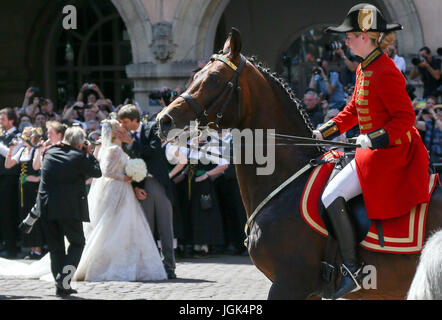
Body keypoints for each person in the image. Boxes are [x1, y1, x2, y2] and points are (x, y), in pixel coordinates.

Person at [314, 3, 429, 299]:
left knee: (330, 196)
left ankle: (352, 270)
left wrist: (373, 139)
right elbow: (353, 110)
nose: (346, 41)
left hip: (390, 153)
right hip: (371, 149)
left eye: (350, 36)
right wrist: (322, 131)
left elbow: (405, 118)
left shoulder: (386, 70)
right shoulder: (366, 66)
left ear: (365, 36)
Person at [73, 119, 167, 282]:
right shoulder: (113, 149)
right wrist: (126, 177)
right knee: (113, 225)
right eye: (119, 127)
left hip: (123, 189)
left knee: (124, 225)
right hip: (116, 189)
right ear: (115, 131)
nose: (123, 129)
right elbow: (106, 171)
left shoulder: (113, 148)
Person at [37, 126, 102, 296]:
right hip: (69, 208)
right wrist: (89, 152)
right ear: (80, 143)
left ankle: (62, 287)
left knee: (55, 247)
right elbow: (97, 172)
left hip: (47, 207)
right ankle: (63, 279)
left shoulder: (50, 152)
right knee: (78, 243)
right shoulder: (80, 157)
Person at [116, 104, 177, 279]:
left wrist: (131, 142)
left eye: (126, 121)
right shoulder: (125, 137)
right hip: (141, 186)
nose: (123, 125)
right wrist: (136, 187)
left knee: (165, 227)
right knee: (146, 228)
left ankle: (169, 267)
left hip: (157, 183)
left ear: (136, 120)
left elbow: (152, 151)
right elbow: (128, 163)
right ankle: (150, 267)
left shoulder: (151, 128)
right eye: (121, 122)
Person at [5, 126, 44, 260]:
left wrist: (37, 178)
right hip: (22, 187)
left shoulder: (36, 149)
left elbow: (39, 168)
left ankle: (38, 248)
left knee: (34, 215)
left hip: (34, 187)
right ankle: (32, 247)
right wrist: (11, 149)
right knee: (25, 212)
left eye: (25, 135)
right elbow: (8, 165)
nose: (22, 137)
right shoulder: (22, 150)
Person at [0, 108, 21, 258]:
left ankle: (12, 246)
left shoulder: (18, 135)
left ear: (11, 120)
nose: (0, 120)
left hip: (10, 177)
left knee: (8, 211)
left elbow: (12, 154)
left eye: (3, 118)